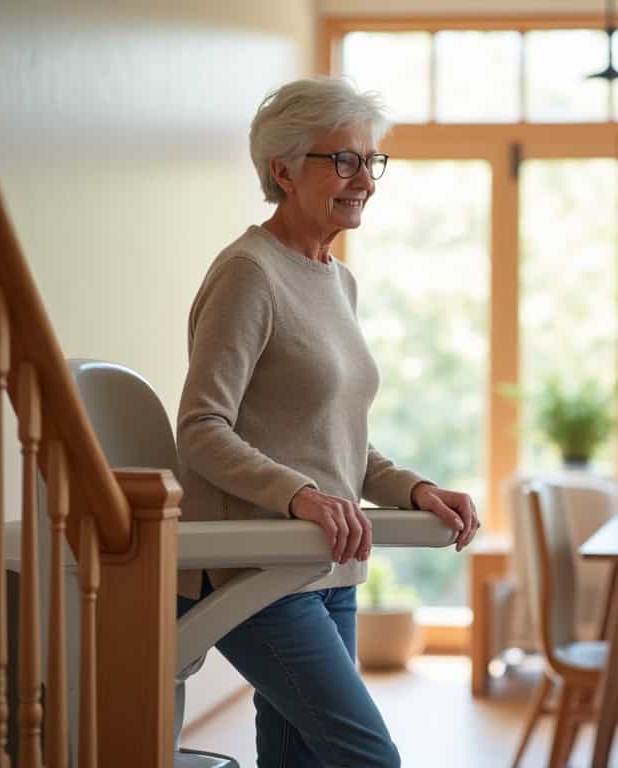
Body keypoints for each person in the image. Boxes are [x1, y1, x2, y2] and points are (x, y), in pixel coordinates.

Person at [175, 77, 480, 767]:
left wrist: (414, 489)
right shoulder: (249, 273)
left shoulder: (337, 281)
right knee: (368, 756)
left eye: (370, 162)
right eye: (342, 160)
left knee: (300, 761)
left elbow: (337, 437)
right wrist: (299, 496)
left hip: (326, 566)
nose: (363, 180)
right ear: (282, 169)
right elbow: (200, 426)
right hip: (253, 569)